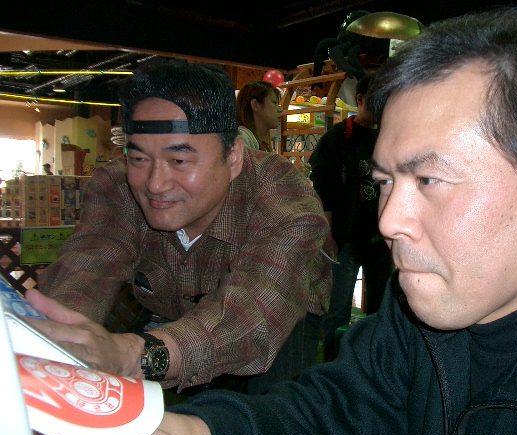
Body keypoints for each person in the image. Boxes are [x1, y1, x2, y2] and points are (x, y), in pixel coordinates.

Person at [35, 8, 517, 435]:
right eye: (386, 182)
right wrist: (174, 433)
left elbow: (253, 313)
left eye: (430, 180)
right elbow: (328, 417)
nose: (389, 220)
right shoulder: (423, 313)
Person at [25, 59, 331, 395]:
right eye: (139, 158)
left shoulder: (281, 195)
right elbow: (89, 264)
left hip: (278, 319)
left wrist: (131, 357)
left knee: (274, 411)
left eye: (179, 160)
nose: (155, 184)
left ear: (233, 157)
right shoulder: (118, 187)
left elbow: (253, 310)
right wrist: (60, 338)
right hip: (174, 316)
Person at [309, 72, 393, 361]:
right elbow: (324, 187)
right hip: (346, 235)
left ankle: (373, 364)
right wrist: (328, 234)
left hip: (380, 235)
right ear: (360, 100)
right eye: (376, 101)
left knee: (381, 307)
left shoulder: (387, 137)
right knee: (338, 308)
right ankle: (333, 366)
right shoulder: (338, 138)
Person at [236, 80, 282, 151]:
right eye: (274, 102)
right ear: (255, 105)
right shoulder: (242, 138)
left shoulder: (260, 143)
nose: (280, 109)